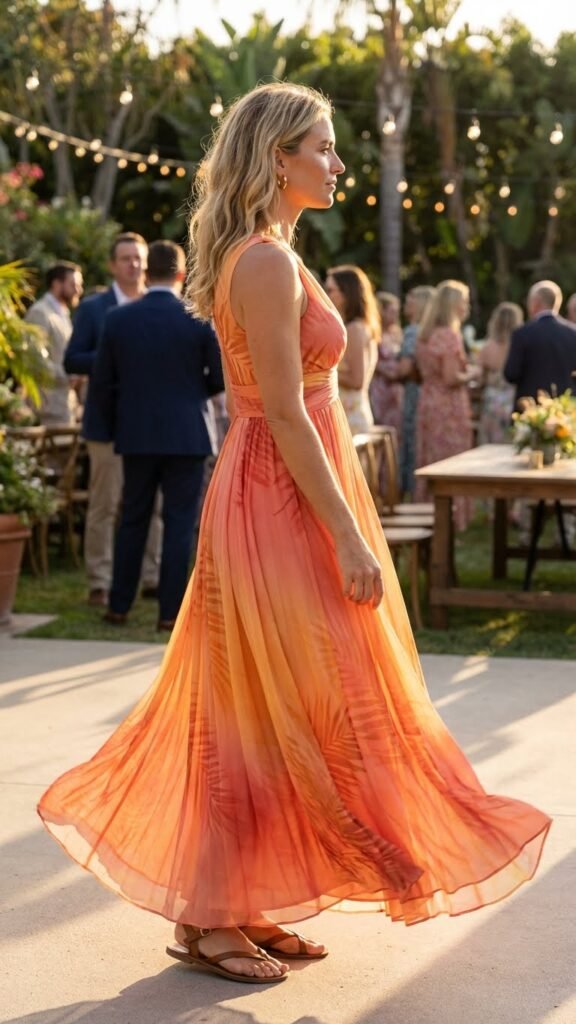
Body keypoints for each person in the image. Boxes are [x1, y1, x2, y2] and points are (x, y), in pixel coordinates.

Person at [38, 83, 550, 985]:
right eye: (324, 146)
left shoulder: (271, 252)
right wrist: (349, 535)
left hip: (279, 485)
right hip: (277, 494)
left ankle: (230, 902)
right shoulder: (266, 262)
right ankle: (214, 912)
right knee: (271, 699)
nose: (339, 164)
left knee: (268, 700)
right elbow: (283, 410)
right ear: (279, 158)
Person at [89, 240, 224, 632]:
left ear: (147, 273)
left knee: (133, 519)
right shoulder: (199, 319)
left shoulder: (119, 319)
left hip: (137, 434)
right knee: (179, 524)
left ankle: (119, 606)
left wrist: (115, 424)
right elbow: (219, 379)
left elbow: (103, 382)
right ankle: (170, 613)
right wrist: (191, 391)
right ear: (181, 274)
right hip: (188, 434)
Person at [64, 233, 162, 607]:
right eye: (125, 258)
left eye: (138, 258)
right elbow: (72, 359)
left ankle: (152, 577)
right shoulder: (94, 308)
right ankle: (100, 581)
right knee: (104, 505)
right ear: (112, 265)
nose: (133, 265)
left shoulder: (159, 304)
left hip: (151, 423)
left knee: (152, 505)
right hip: (106, 423)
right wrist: (116, 357)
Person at [414, 280, 480, 530]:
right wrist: (473, 373)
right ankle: (452, 518)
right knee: (451, 460)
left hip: (428, 401)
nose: (467, 307)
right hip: (448, 406)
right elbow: (451, 378)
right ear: (453, 305)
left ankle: (427, 511)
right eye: (464, 302)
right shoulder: (449, 336)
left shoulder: (424, 335)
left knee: (430, 455)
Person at [24, 261, 83, 425]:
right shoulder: (40, 312)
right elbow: (36, 361)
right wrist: (69, 375)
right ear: (57, 284)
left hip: (64, 406)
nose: (79, 290)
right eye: (73, 284)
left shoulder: (62, 313)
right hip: (48, 409)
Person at [324, 265, 380, 432]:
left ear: (346, 293)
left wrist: (321, 371)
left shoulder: (355, 329)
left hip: (350, 417)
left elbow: (357, 380)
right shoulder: (354, 326)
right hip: (349, 413)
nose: (326, 295)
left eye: (330, 290)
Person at [504, 280, 576, 409]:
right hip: (564, 408)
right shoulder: (573, 333)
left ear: (535, 302)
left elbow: (511, 374)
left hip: (530, 408)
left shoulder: (523, 333)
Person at [397, 285, 436, 497]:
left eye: (410, 300)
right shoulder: (432, 332)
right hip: (428, 392)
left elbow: (405, 368)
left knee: (413, 442)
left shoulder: (413, 331)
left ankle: (413, 490)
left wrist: (389, 370)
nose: (406, 304)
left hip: (414, 392)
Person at [476, 302, 524, 444]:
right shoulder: (519, 347)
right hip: (512, 398)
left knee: (490, 443)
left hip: (492, 400)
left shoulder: (487, 347)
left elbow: (481, 379)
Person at [369, 292, 404, 444]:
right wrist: (386, 372)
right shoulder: (374, 332)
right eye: (392, 311)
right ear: (381, 311)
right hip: (380, 386)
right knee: (381, 429)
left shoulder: (397, 333)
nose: (395, 315)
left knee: (396, 429)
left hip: (396, 387)